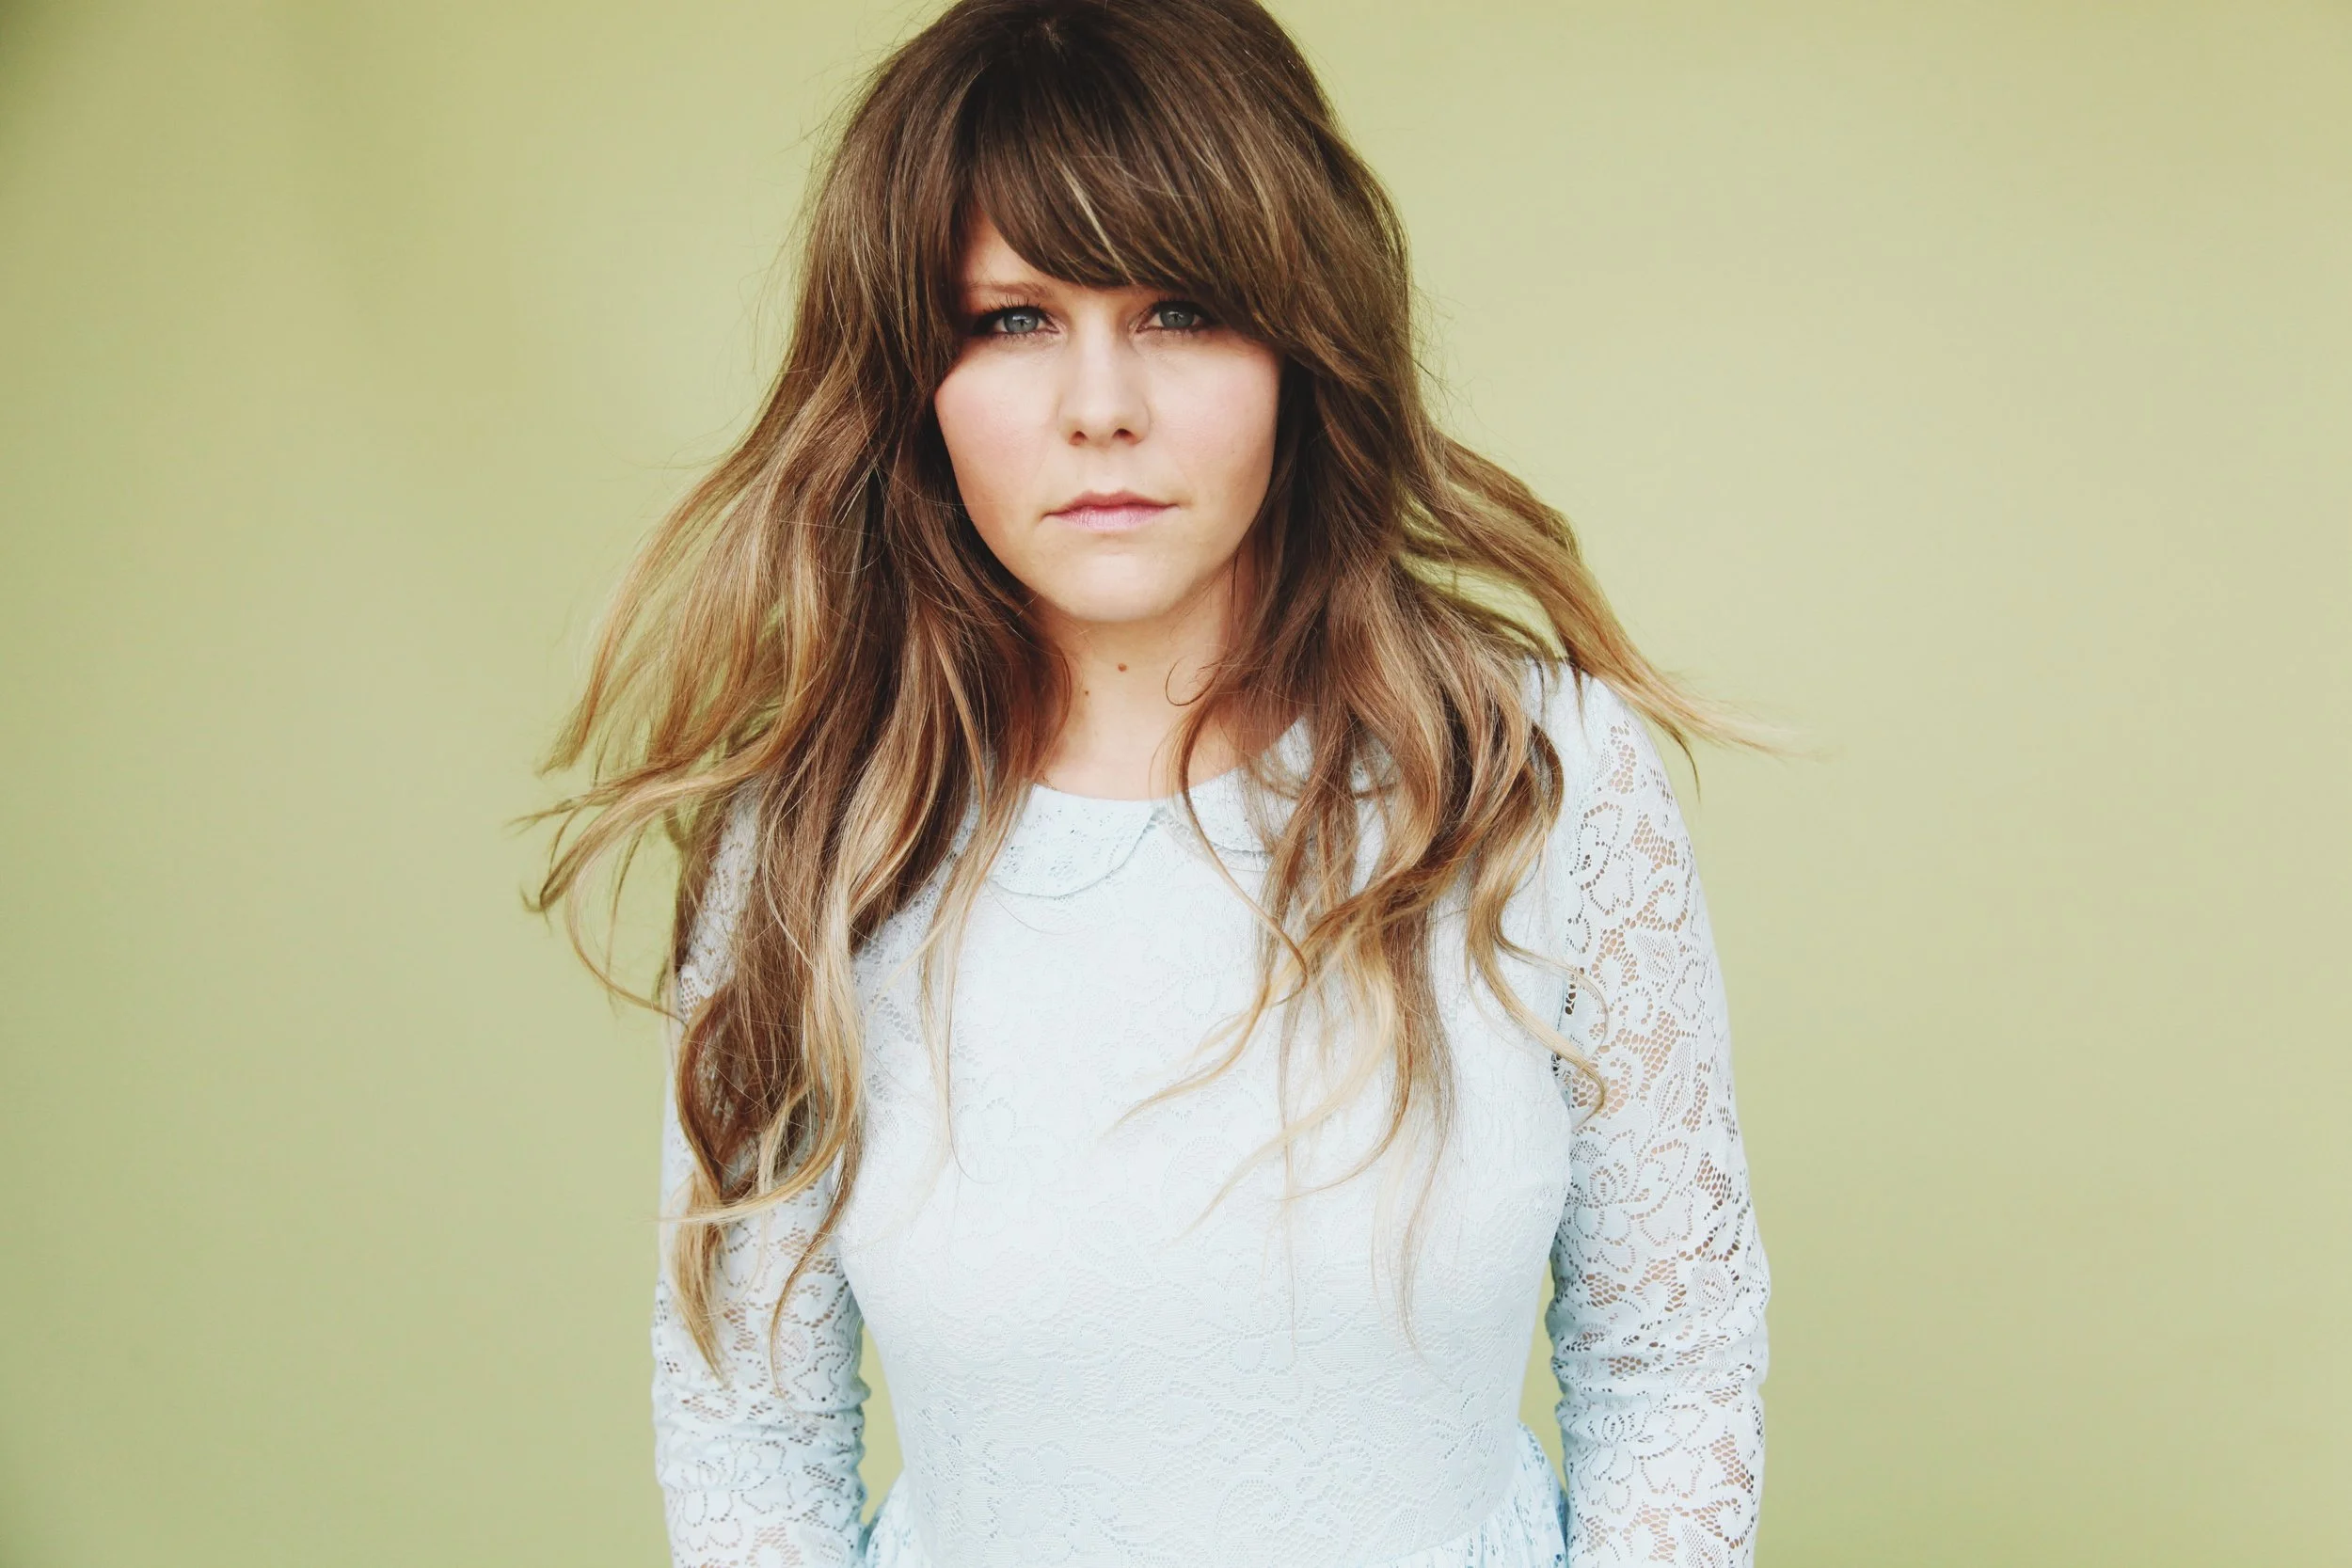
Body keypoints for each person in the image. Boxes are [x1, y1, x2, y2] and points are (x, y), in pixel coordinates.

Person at [528, 1, 1771, 1563]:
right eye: (1012, 320)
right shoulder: (813, 846)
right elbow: (748, 1442)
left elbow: (1672, 1369)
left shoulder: (1540, 781)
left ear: (1300, 342)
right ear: (914, 376)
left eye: (1178, 308)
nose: (1099, 404)